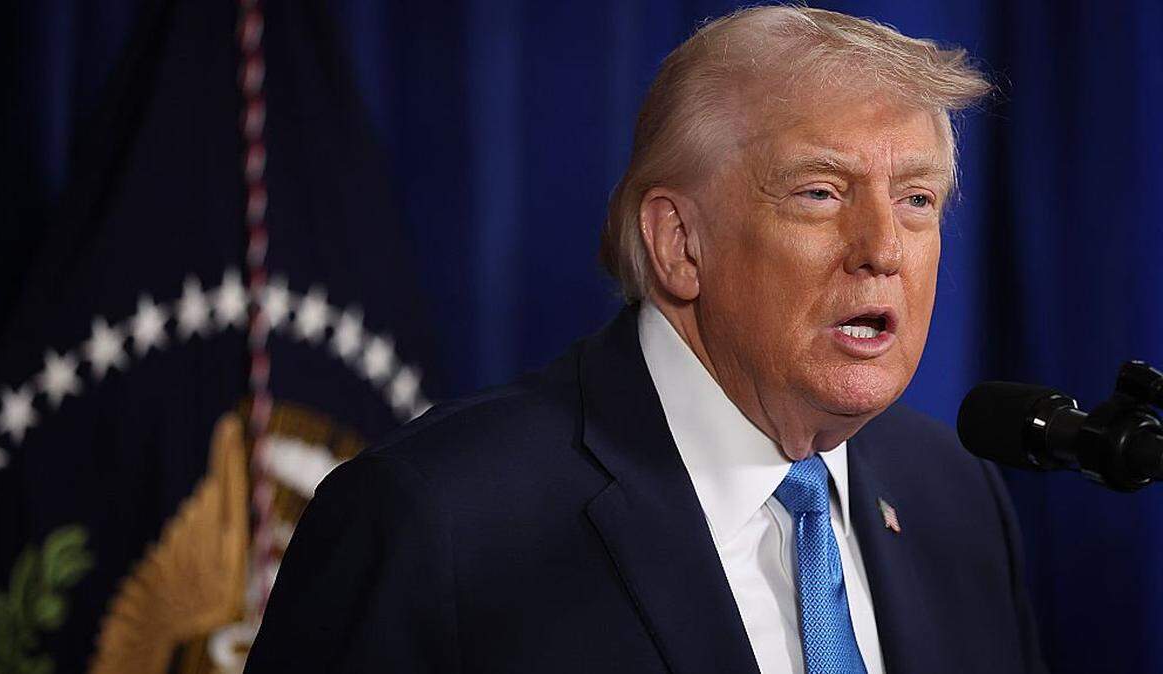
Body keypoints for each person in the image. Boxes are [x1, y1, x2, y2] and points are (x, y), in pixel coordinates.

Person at [245, 6, 1046, 674]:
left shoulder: (954, 497)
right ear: (679, 245)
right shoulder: (435, 524)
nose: (883, 248)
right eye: (820, 191)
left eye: (916, 199)